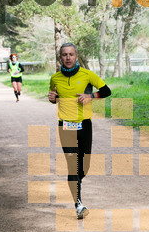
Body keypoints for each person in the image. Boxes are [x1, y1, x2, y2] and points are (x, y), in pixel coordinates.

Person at [47, 42, 111, 219]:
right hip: (65, 126)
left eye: (71, 54)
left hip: (84, 125)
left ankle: (75, 183)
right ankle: (78, 204)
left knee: (85, 166)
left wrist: (91, 96)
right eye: (64, 55)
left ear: (76, 56)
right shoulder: (55, 78)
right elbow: (54, 98)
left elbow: (106, 91)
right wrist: (53, 99)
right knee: (72, 166)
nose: (68, 58)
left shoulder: (87, 75)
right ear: (60, 57)